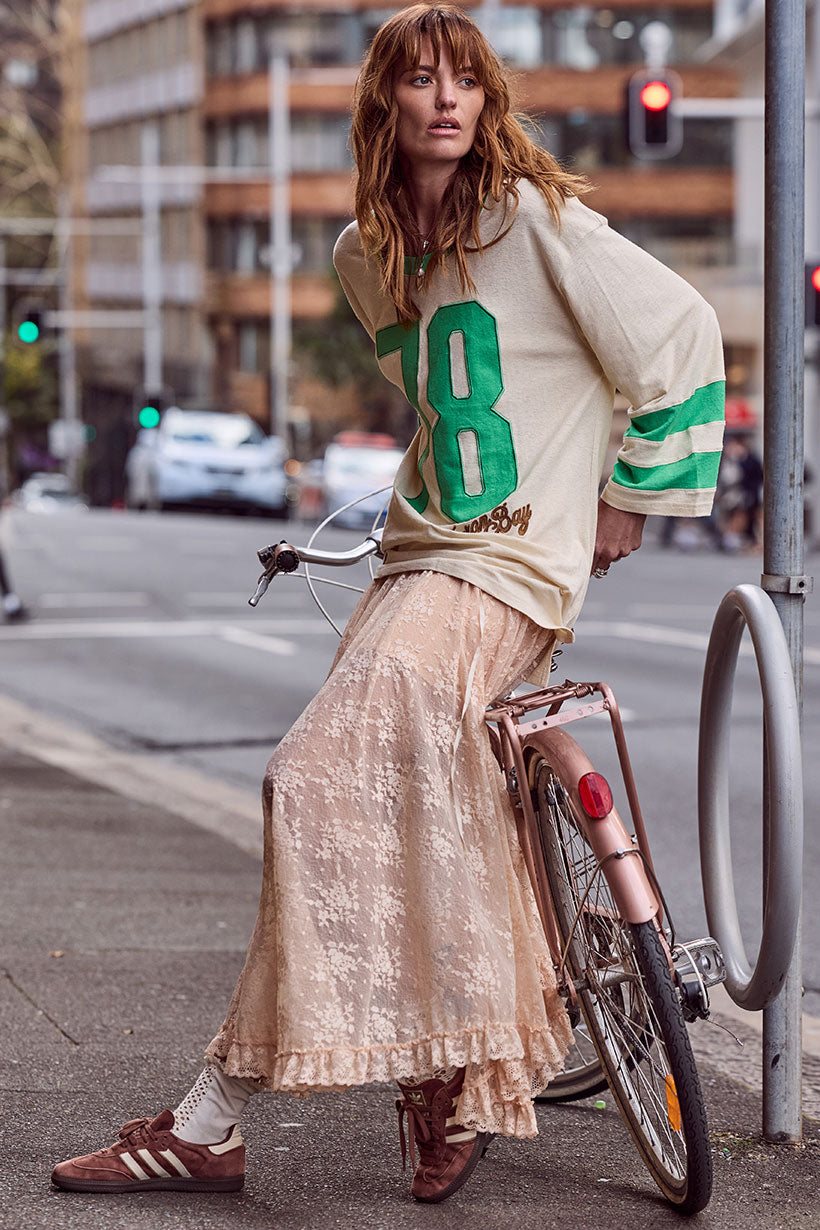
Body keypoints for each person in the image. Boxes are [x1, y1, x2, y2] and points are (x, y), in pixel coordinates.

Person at [51, 3, 725, 1206]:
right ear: (386, 106)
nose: (448, 99)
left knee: (309, 777)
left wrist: (629, 493)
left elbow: (678, 336)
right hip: (412, 562)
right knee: (426, 806)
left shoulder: (540, 220)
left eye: (465, 78)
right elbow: (446, 412)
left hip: (501, 573)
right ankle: (449, 1075)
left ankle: (217, 1117)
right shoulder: (366, 260)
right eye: (421, 80)